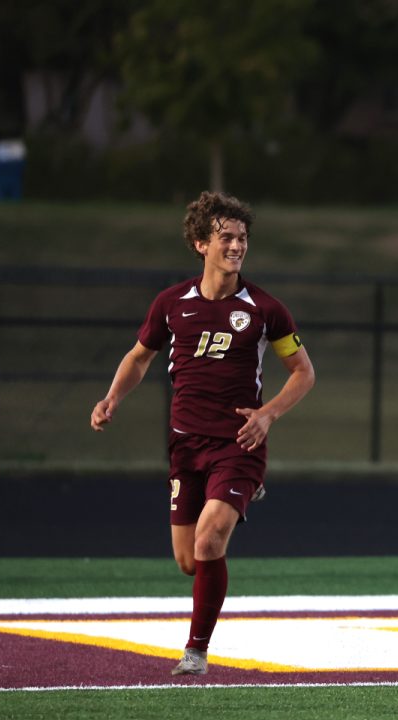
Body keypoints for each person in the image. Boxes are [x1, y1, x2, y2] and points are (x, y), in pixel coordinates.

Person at [90, 191, 316, 676]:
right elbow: (138, 358)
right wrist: (111, 398)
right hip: (184, 444)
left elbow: (303, 373)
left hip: (239, 443)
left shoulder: (264, 308)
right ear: (200, 244)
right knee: (190, 561)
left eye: (242, 238)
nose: (236, 246)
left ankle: (195, 652)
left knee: (211, 538)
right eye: (226, 238)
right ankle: (234, 500)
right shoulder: (172, 304)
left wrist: (268, 415)